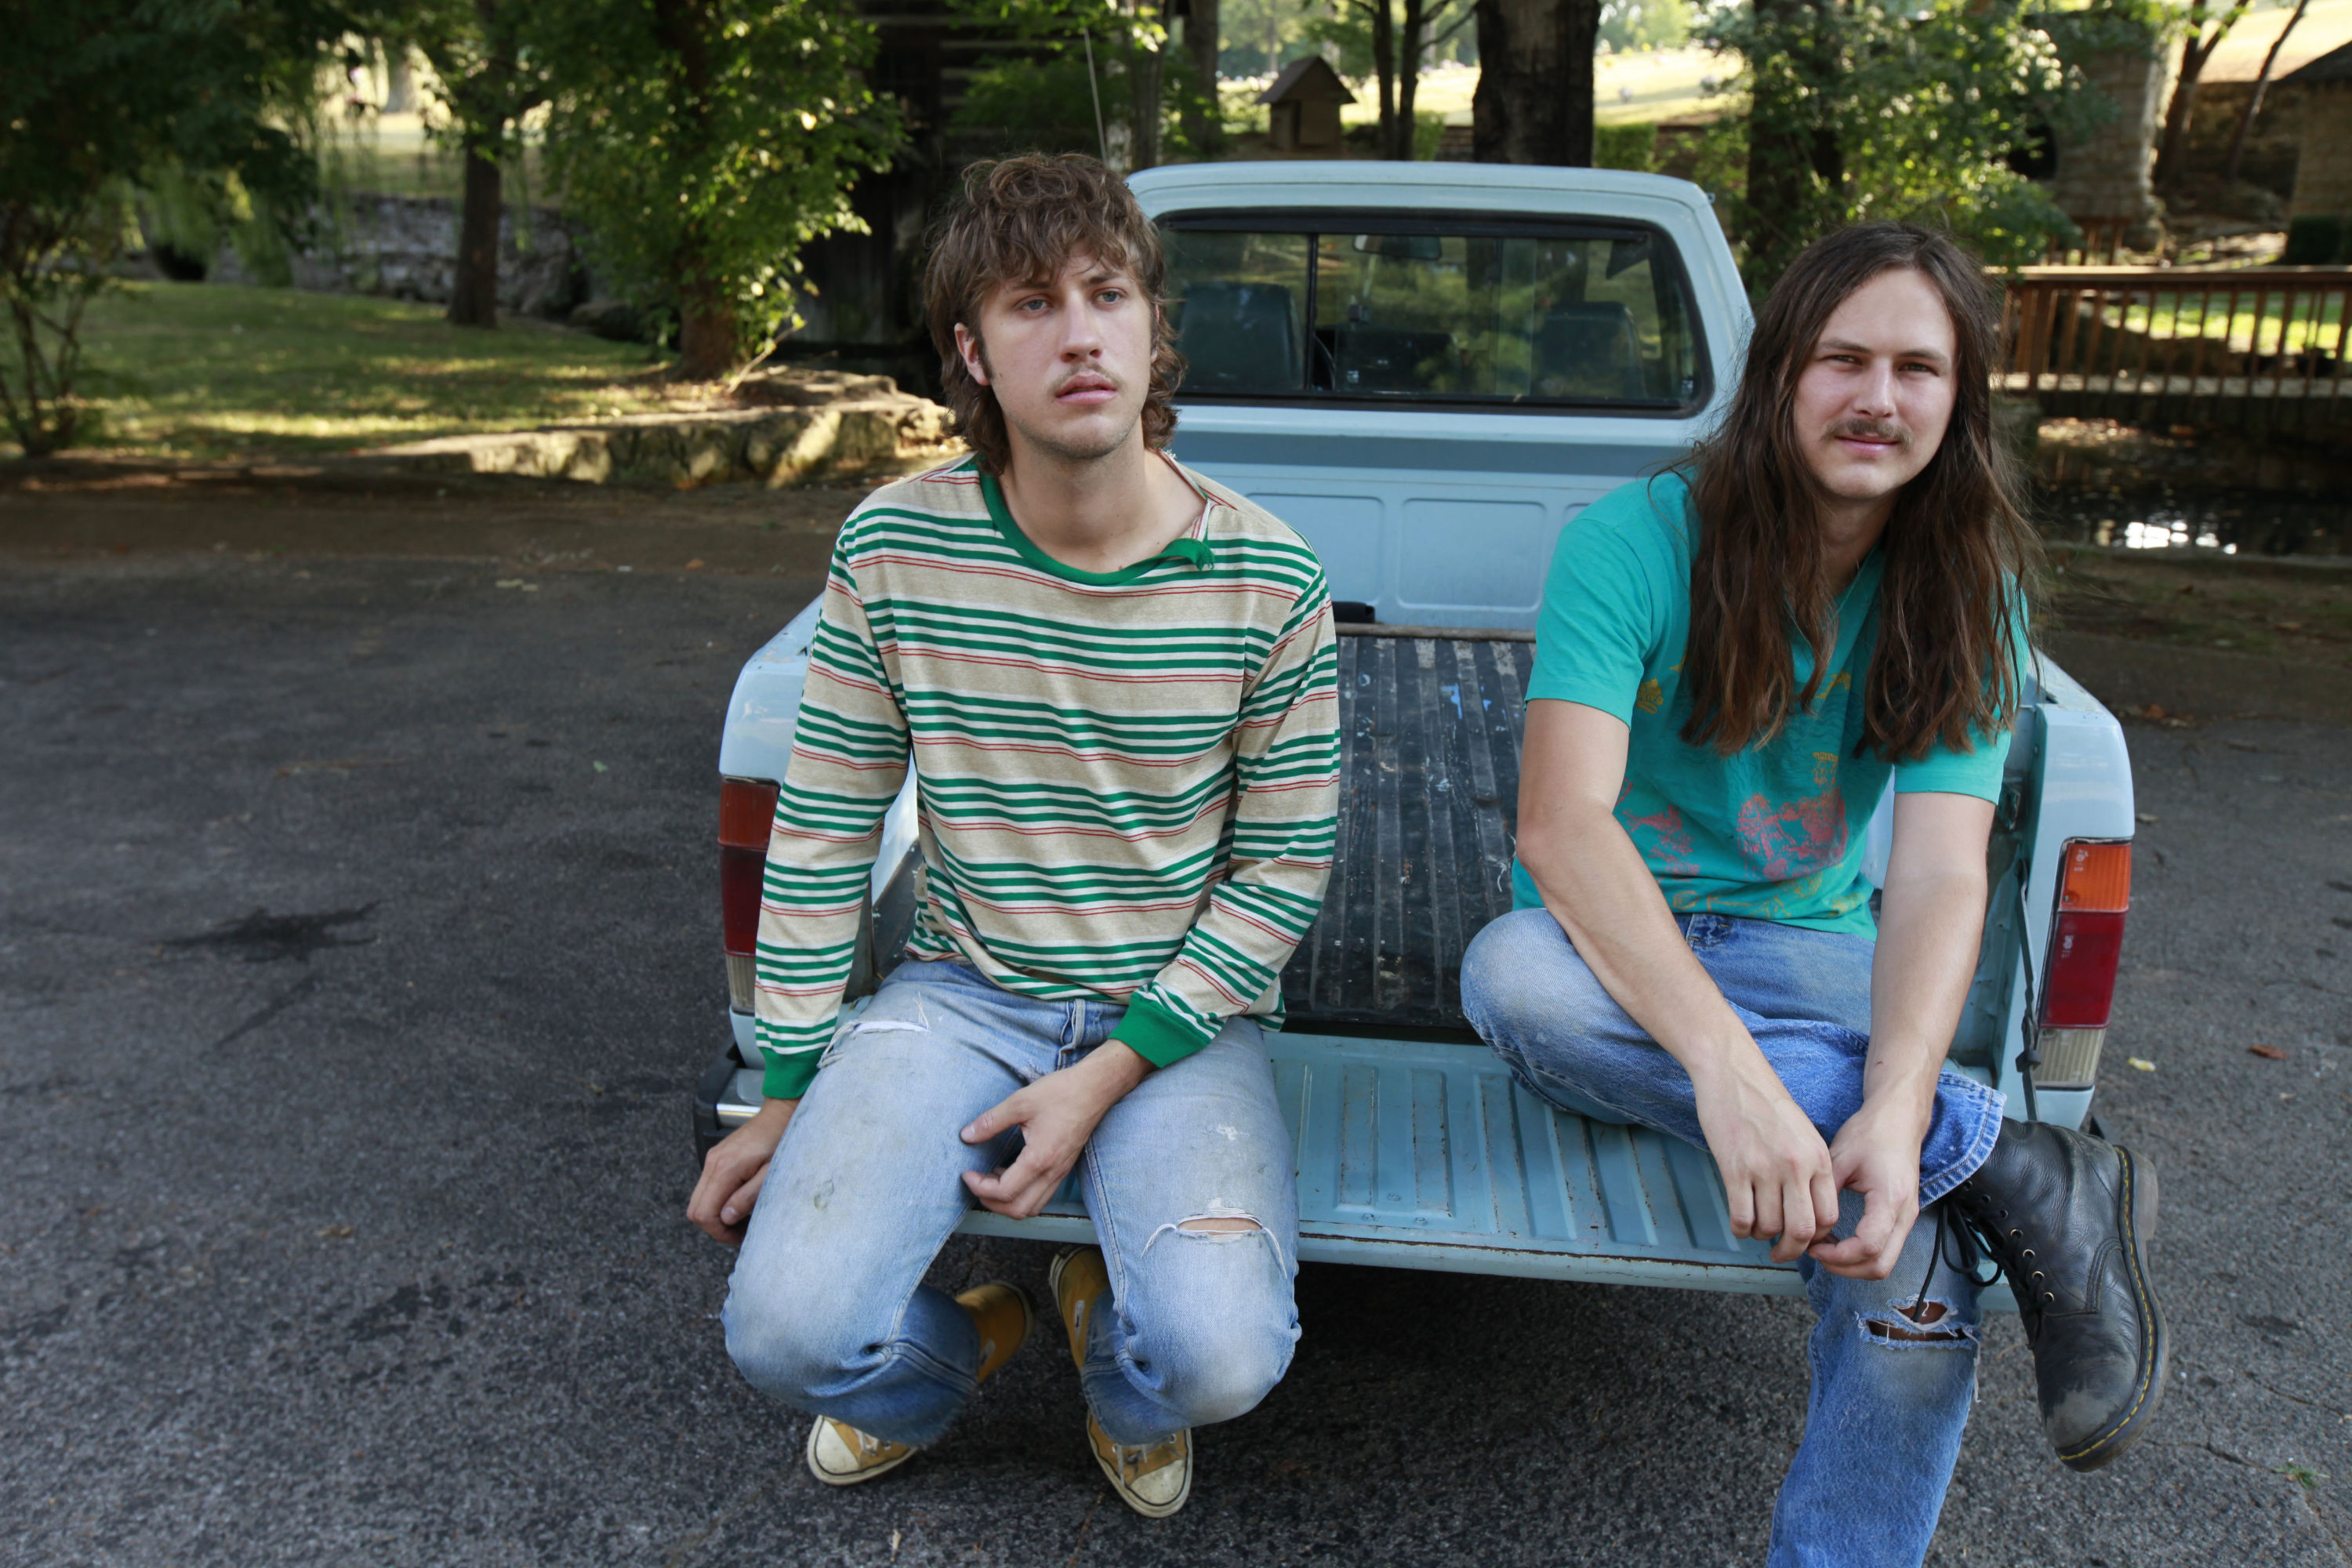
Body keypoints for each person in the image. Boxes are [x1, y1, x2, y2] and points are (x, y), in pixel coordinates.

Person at [1460, 223, 2166, 1566]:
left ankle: (1943, 1156)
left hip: (1810, 950)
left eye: (1917, 368)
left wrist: (1893, 1112)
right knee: (1511, 977)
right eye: (1844, 359)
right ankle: (2007, 1157)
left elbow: (1942, 869)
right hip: (1609, 953)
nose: (1877, 398)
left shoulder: (1968, 587)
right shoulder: (1636, 540)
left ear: (1960, 400)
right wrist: (1730, 1078)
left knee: (1903, 1243)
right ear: (1781, 371)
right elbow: (1561, 827)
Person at [686, 154, 1341, 1520]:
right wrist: (789, 1088)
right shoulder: (895, 547)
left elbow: (1282, 873)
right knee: (785, 1336)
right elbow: (824, 823)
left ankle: (1119, 1373)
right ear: (973, 354)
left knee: (1218, 1359)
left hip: (1177, 1020)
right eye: (1032, 303)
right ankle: (957, 1353)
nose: (1080, 333)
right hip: (960, 993)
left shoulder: (1269, 578)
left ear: (1154, 329)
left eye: (1108, 293)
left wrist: (1107, 1074)